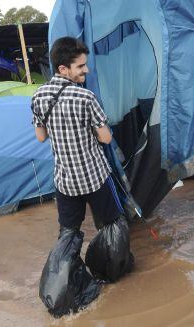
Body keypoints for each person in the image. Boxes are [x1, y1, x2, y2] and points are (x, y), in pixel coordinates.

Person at [31, 36, 120, 232]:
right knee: (110, 228)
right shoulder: (86, 96)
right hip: (95, 177)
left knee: (68, 232)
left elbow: (41, 136)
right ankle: (112, 262)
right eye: (81, 66)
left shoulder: (38, 95)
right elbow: (106, 138)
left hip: (65, 181)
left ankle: (67, 262)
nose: (86, 70)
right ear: (63, 69)